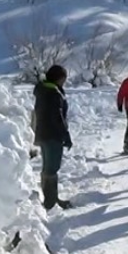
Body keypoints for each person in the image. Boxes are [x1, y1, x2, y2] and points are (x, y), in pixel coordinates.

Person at [33, 64, 73, 210]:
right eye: (63, 78)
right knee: (52, 168)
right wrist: (65, 135)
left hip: (43, 133)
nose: (64, 81)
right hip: (52, 135)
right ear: (58, 78)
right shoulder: (53, 93)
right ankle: (50, 201)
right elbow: (57, 117)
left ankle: (50, 198)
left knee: (48, 167)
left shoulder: (44, 90)